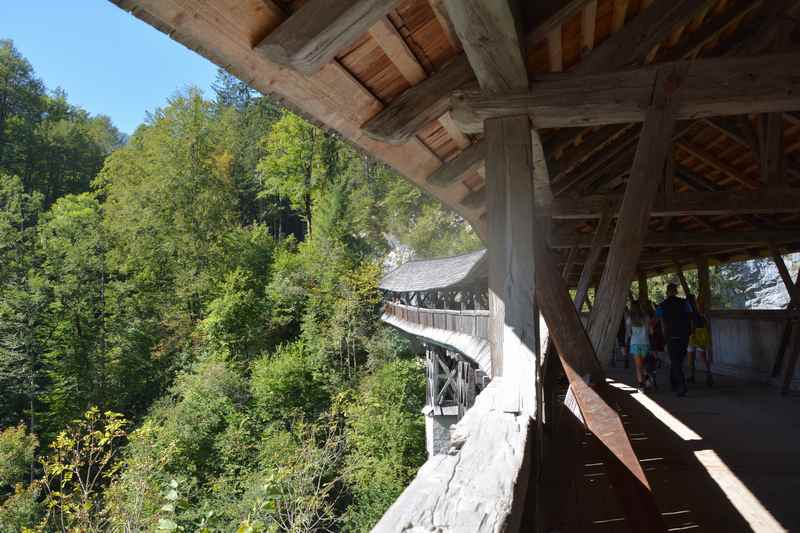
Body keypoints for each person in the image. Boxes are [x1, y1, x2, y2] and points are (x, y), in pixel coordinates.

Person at [656, 283, 693, 397]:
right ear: (676, 291)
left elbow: (660, 321)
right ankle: (674, 383)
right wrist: (690, 332)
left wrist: (664, 337)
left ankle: (681, 386)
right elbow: (690, 317)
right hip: (683, 335)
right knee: (678, 361)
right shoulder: (685, 303)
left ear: (667, 292)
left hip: (670, 335)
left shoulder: (661, 305)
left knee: (675, 361)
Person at [688, 296, 713, 387]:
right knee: (702, 356)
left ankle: (693, 375)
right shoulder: (700, 312)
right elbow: (706, 325)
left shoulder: (690, 312)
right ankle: (708, 373)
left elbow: (691, 325)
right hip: (700, 334)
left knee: (691, 357)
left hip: (693, 334)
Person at [628, 301, 652, 392]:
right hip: (645, 343)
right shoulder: (646, 317)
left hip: (634, 343)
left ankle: (641, 385)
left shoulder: (630, 318)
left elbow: (629, 333)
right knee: (644, 364)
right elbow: (651, 331)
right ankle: (647, 379)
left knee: (638, 366)